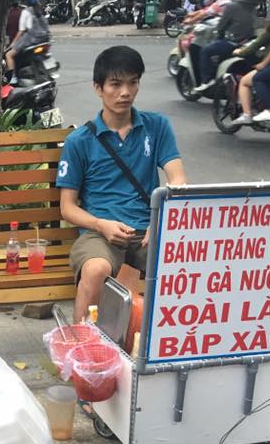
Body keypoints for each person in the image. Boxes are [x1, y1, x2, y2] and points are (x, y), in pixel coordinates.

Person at [56, 46, 187, 324]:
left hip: (147, 230)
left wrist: (161, 218)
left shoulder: (157, 126)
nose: (125, 92)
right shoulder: (79, 141)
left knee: (183, 266)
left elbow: (178, 180)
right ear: (98, 88)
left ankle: (167, 347)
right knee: (95, 270)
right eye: (115, 84)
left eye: (132, 82)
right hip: (100, 233)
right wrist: (101, 224)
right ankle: (81, 350)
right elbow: (67, 208)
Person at [192, 0, 259, 93]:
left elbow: (221, 26)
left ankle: (206, 80)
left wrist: (219, 35)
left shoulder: (231, 6)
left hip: (233, 42)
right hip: (248, 41)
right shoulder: (253, 7)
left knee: (206, 50)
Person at [4, 0, 50, 85]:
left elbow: (21, 31)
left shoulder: (26, 12)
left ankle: (12, 78)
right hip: (42, 39)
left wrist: (12, 45)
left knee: (8, 55)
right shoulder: (39, 13)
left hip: (29, 39)